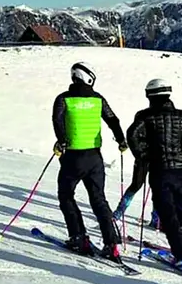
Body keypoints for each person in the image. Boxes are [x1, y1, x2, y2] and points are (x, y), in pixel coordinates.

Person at [120, 79, 182, 276]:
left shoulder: (146, 116)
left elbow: (132, 134)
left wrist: (144, 156)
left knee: (169, 217)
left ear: (149, 95)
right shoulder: (181, 116)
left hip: (159, 171)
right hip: (180, 171)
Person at [52, 62, 127, 261]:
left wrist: (61, 142)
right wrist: (121, 141)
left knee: (66, 195)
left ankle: (79, 237)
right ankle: (111, 244)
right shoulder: (98, 99)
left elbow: (57, 121)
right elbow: (113, 120)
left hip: (73, 157)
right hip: (95, 157)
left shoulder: (63, 99)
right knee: (99, 199)